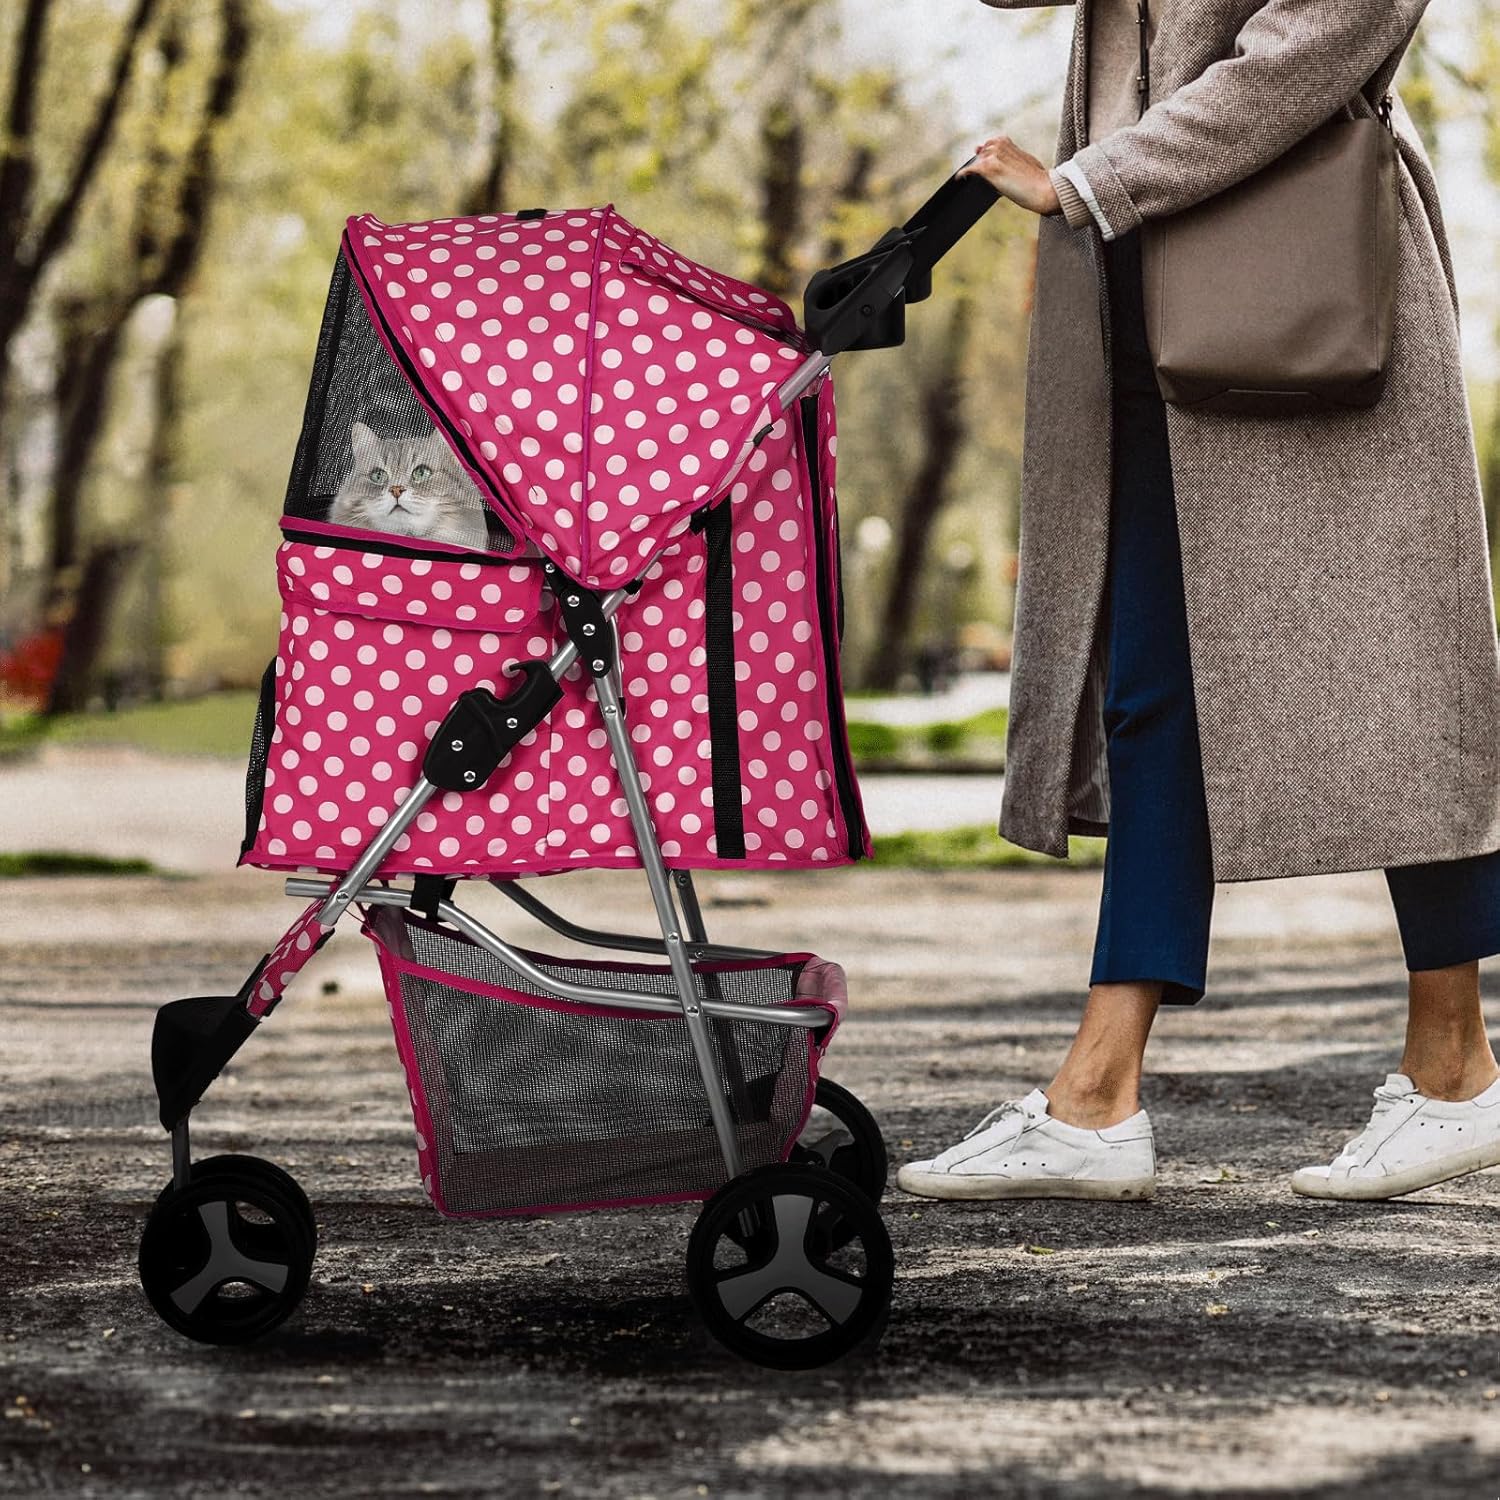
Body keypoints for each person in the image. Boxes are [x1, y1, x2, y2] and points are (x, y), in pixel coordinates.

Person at [898, 0, 1500, 1204]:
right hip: (1138, 290)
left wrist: (1087, 183)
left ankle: (1453, 1065)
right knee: (1151, 685)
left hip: (1303, 287)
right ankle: (1097, 1094)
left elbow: (1318, 43)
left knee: (1402, 674)